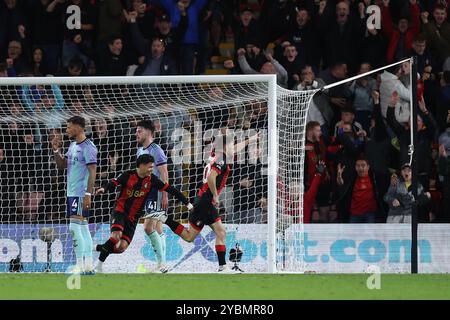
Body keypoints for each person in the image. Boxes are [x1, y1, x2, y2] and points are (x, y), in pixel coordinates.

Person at [94, 154, 192, 272]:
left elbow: (170, 189)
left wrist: (187, 203)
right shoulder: (128, 175)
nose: (152, 169)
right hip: (120, 211)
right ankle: (98, 266)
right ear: (141, 166)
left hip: (133, 218)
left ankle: (97, 247)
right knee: (116, 236)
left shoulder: (152, 180)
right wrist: (103, 189)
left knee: (121, 248)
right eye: (150, 167)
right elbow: (113, 183)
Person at [52, 116, 98, 274]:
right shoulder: (72, 146)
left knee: (73, 227)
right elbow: (62, 165)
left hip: (80, 192)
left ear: (79, 127)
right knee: (83, 228)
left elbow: (93, 171)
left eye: (69, 127)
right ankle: (89, 266)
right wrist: (56, 150)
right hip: (71, 193)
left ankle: (79, 266)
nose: (67, 130)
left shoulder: (88, 147)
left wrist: (88, 193)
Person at [135, 120, 169, 273]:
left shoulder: (156, 150)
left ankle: (162, 264)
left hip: (155, 193)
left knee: (148, 228)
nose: (136, 133)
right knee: (158, 228)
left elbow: (164, 174)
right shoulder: (140, 150)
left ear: (148, 132)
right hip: (144, 193)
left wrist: (164, 196)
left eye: (139, 131)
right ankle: (161, 264)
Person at [336, 157, 382, 223]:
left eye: (363, 165)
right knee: (352, 233)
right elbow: (341, 184)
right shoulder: (352, 178)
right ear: (355, 167)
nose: (360, 168)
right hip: (354, 213)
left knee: (369, 233)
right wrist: (339, 176)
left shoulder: (374, 178)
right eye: (358, 166)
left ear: (368, 167)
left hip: (369, 213)